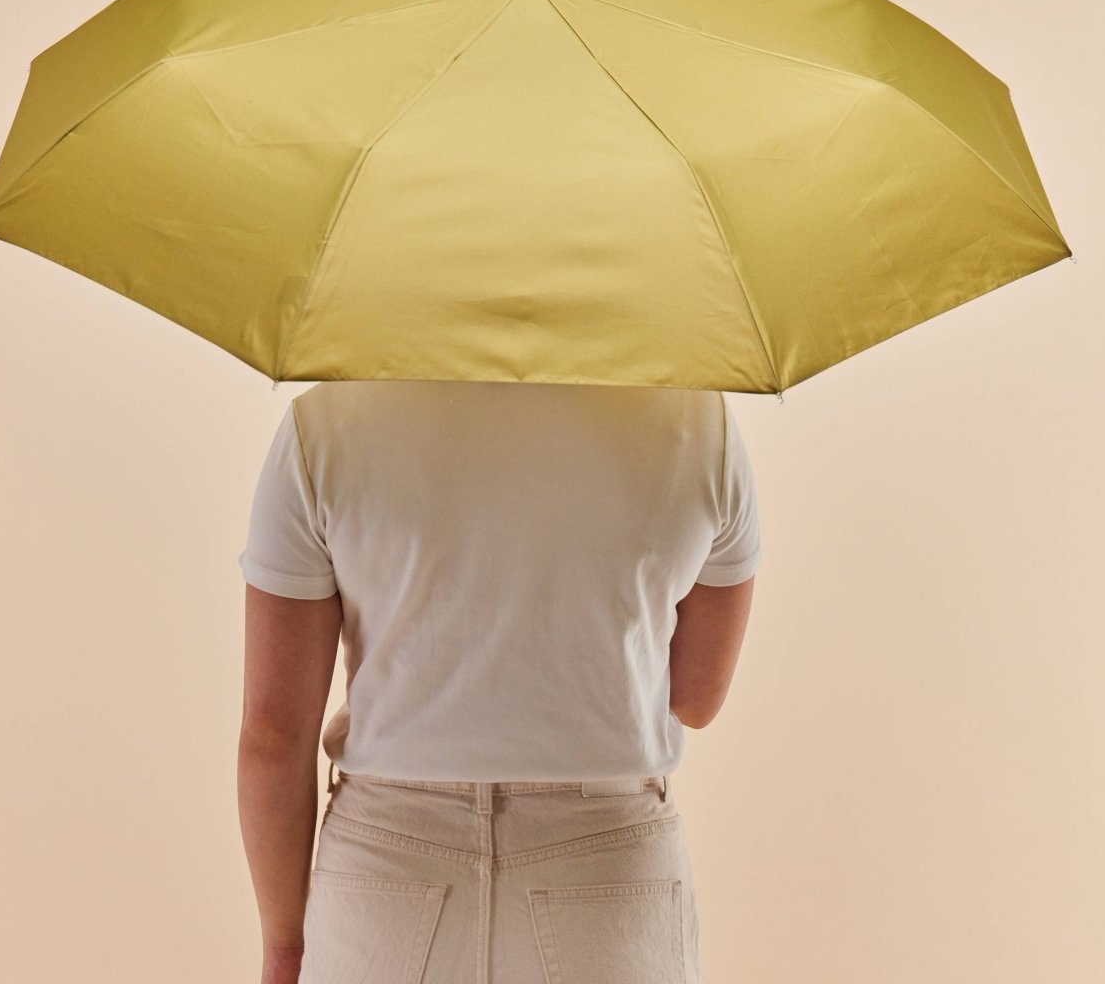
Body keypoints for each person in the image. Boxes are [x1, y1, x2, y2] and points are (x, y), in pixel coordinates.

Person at [235, 379, 760, 984]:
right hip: (607, 876)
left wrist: (283, 945)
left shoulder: (325, 424)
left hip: (386, 877)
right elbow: (696, 698)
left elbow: (274, 736)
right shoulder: (698, 422)